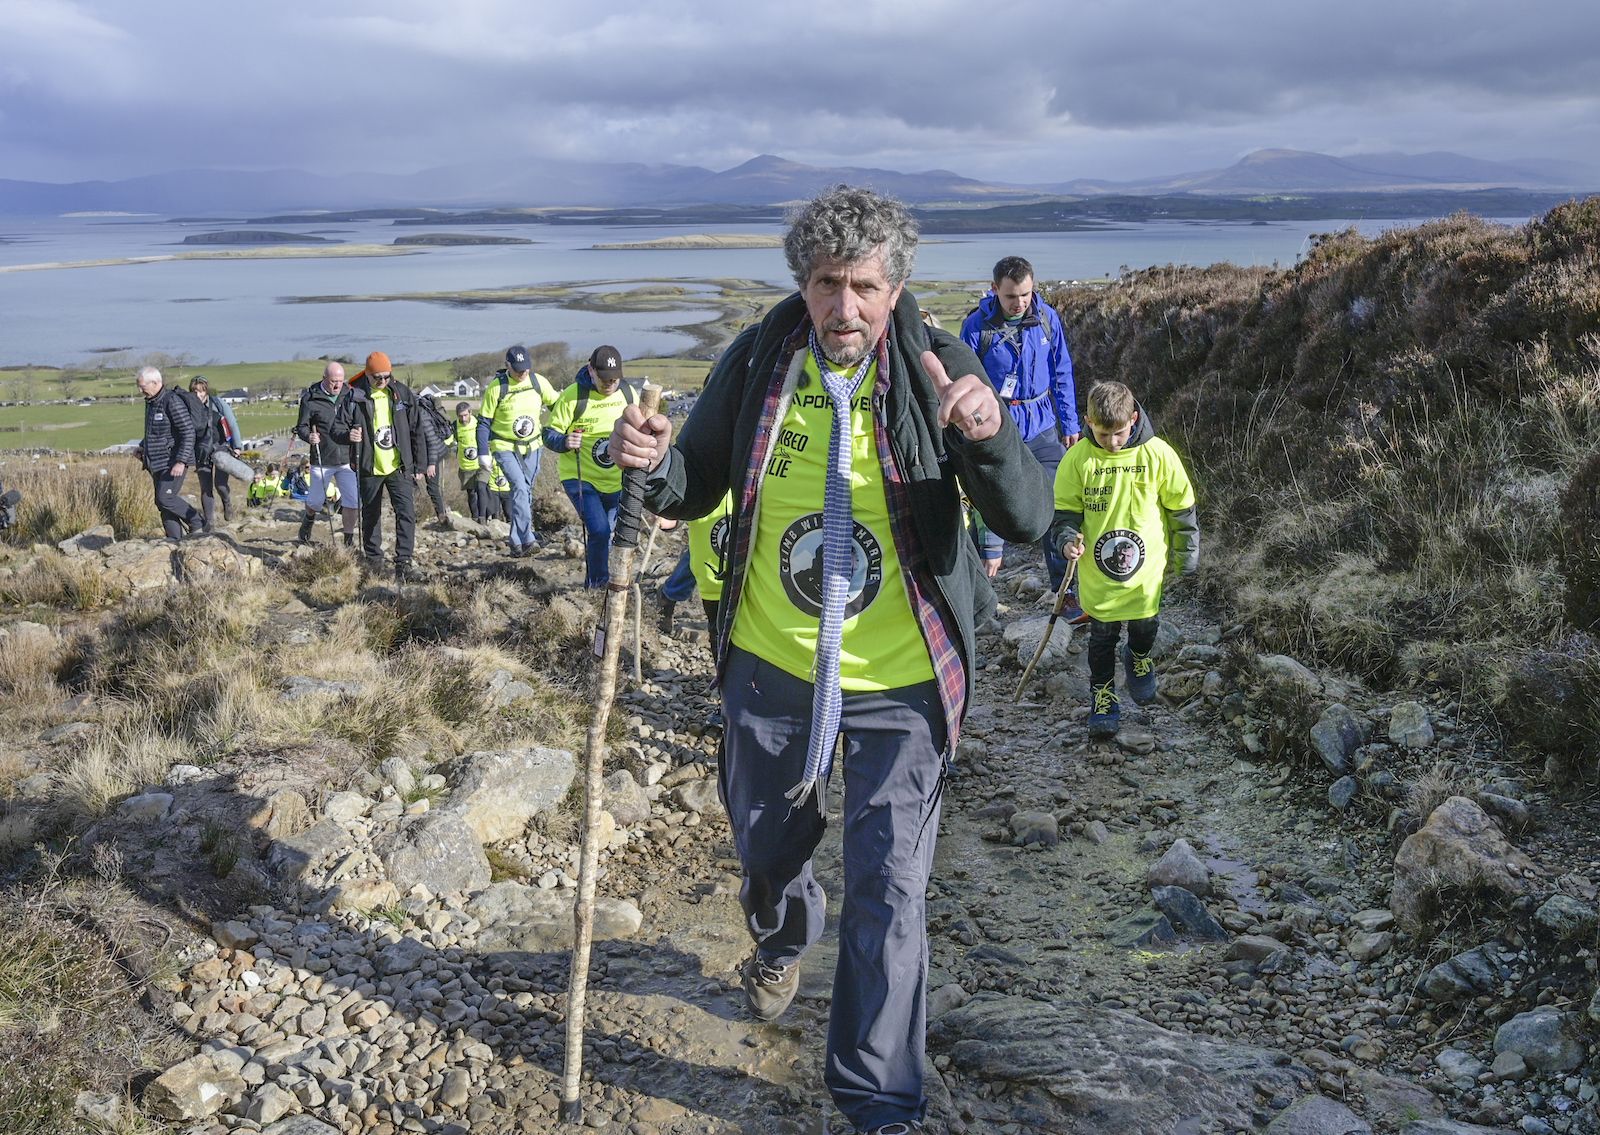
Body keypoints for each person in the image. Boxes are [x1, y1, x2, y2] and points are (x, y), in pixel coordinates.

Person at [609, 186, 1050, 1135]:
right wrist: (646, 461)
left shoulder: (941, 366)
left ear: (895, 289)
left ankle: (877, 1103)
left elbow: (1028, 517)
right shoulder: (765, 356)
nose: (843, 308)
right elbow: (694, 480)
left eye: (863, 286)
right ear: (801, 285)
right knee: (768, 853)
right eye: (824, 284)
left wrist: (990, 436)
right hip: (772, 668)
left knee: (890, 894)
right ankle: (778, 935)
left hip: (901, 684)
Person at [1049, 380, 1199, 739]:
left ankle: (1138, 656)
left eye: (1118, 433)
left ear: (1133, 419)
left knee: (1146, 625)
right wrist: (1067, 540)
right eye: (1102, 435)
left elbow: (1182, 507)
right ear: (1087, 421)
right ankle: (1102, 696)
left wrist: (1187, 555)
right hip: (1099, 576)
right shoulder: (1077, 460)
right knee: (1101, 637)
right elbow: (1064, 516)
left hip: (1146, 571)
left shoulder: (1157, 454)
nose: (1112, 443)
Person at [960, 255, 1081, 594]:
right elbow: (965, 381)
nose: (1019, 303)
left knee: (1058, 503)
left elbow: (1062, 373)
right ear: (995, 289)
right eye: (1011, 296)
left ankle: (1066, 592)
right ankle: (973, 593)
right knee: (988, 499)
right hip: (999, 428)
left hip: (1042, 426)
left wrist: (1069, 422)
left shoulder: (1047, 318)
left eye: (1026, 294)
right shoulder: (976, 327)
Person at [333, 351, 438, 582]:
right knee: (371, 516)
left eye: (386, 376)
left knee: (407, 514)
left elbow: (416, 430)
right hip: (369, 466)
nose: (382, 382)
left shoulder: (401, 393)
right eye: (377, 377)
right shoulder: (353, 396)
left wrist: (419, 464)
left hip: (399, 466)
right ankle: (374, 562)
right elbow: (336, 429)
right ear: (367, 374)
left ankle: (404, 563)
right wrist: (348, 434)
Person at [543, 345, 637, 588]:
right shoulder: (574, 396)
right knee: (599, 531)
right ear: (591, 370)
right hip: (580, 477)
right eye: (604, 378)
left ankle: (598, 582)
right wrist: (565, 441)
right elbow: (548, 434)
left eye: (614, 379)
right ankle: (597, 586)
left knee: (608, 535)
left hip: (617, 480)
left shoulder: (628, 395)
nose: (609, 384)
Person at [480, 344, 558, 556]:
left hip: (533, 446)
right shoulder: (497, 387)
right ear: (508, 366)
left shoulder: (538, 382)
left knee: (524, 491)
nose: (523, 373)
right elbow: (484, 422)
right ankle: (528, 540)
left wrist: (564, 429)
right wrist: (482, 452)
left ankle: (515, 541)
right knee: (519, 488)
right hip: (504, 446)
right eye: (518, 369)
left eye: (526, 368)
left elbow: (557, 406)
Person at [135, 365, 207, 539]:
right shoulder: (152, 403)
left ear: (155, 383)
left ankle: (197, 521)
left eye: (142, 386)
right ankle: (175, 540)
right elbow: (156, 431)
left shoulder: (171, 401)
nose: (140, 390)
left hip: (172, 461)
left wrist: (181, 461)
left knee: (165, 498)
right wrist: (143, 446)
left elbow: (187, 431)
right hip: (156, 462)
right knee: (162, 503)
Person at [293, 361, 359, 547]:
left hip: (347, 459)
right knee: (315, 501)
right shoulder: (311, 398)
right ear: (324, 379)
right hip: (322, 459)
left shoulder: (349, 395)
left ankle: (348, 539)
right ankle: (308, 520)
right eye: (333, 381)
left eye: (340, 380)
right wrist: (309, 436)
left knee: (352, 501)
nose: (337, 385)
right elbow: (301, 427)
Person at [187, 377, 242, 527]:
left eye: (202, 390)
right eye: (195, 391)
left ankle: (226, 501)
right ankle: (209, 522)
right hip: (201, 451)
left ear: (207, 390)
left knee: (220, 485)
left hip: (221, 447)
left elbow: (232, 423)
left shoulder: (218, 403)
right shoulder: (188, 407)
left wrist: (237, 446)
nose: (198, 394)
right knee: (205, 488)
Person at [449, 401, 493, 524]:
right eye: (460, 416)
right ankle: (475, 519)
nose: (463, 418)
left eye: (465, 415)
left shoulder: (479, 423)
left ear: (470, 413)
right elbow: (449, 441)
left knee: (481, 487)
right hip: (466, 466)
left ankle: (483, 518)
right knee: (472, 493)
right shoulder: (455, 426)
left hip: (481, 463)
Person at [415, 392, 453, 527]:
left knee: (432, 487)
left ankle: (441, 516)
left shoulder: (421, 415)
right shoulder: (413, 413)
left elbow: (431, 442)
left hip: (434, 452)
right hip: (422, 453)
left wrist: (430, 464)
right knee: (414, 482)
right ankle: (418, 513)